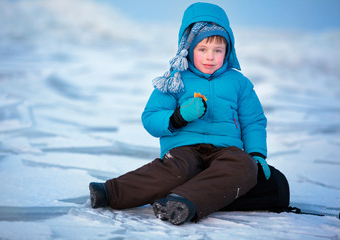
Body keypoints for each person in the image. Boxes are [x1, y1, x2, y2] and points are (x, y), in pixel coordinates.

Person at [89, 2, 270, 225]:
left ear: (228, 51)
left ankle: (182, 202)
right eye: (202, 49)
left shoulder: (239, 83)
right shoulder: (175, 79)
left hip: (226, 150)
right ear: (188, 48)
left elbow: (253, 121)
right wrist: (178, 117)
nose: (210, 57)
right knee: (176, 170)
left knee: (244, 167)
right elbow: (151, 116)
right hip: (184, 148)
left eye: (217, 50)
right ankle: (111, 192)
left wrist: (256, 154)